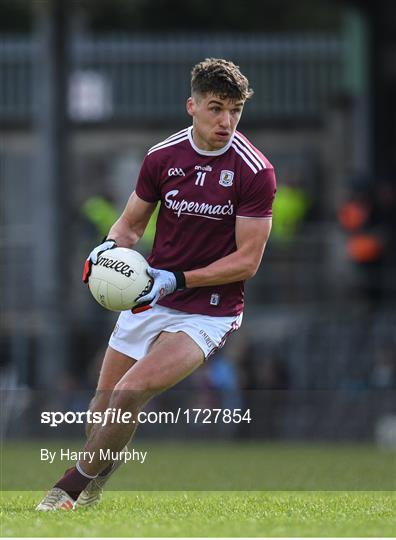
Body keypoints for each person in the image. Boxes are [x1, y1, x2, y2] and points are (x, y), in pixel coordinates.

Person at [36, 58, 276, 511]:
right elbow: (128, 226)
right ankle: (95, 489)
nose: (226, 121)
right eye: (216, 108)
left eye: (235, 110)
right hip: (152, 296)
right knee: (100, 410)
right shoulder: (162, 157)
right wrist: (105, 252)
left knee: (131, 392)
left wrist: (177, 279)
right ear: (192, 106)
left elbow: (248, 260)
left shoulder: (254, 171)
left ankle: (67, 488)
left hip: (209, 310)